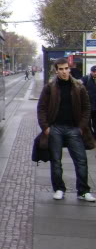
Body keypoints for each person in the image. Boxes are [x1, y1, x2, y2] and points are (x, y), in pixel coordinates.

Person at [37, 57, 96, 202]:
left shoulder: (78, 86)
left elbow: (86, 108)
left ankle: (83, 191)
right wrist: (46, 128)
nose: (64, 72)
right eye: (61, 69)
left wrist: (81, 127)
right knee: (56, 161)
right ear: (56, 71)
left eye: (66, 68)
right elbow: (41, 108)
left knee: (81, 160)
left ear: (69, 69)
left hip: (74, 129)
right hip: (55, 128)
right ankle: (59, 189)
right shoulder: (49, 87)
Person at [81, 65, 96, 136]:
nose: (95, 73)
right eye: (94, 72)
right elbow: (78, 87)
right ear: (91, 72)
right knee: (87, 124)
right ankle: (90, 137)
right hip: (88, 106)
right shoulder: (86, 78)